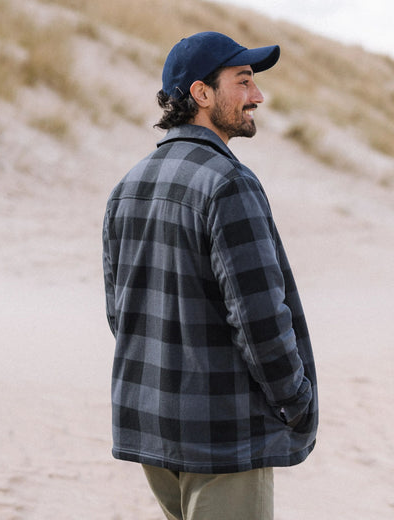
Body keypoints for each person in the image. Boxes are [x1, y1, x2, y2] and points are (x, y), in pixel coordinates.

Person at [102, 31, 318, 520]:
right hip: (223, 434)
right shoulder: (228, 183)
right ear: (201, 93)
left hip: (155, 432)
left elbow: (121, 314)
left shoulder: (128, 186)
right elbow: (260, 317)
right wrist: (295, 398)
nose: (257, 95)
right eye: (243, 81)